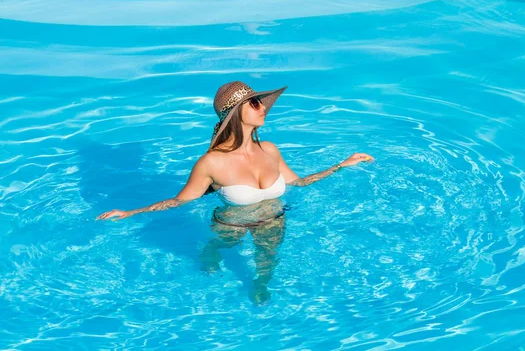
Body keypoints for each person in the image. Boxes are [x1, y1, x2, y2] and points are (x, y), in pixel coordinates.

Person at [97, 80, 374, 303]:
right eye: (254, 103)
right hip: (231, 224)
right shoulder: (211, 162)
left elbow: (299, 183)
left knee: (266, 264)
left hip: (274, 220)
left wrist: (341, 165)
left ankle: (257, 286)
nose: (263, 108)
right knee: (220, 247)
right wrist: (132, 212)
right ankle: (211, 251)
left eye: (261, 102)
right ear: (235, 112)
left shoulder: (270, 150)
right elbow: (181, 200)